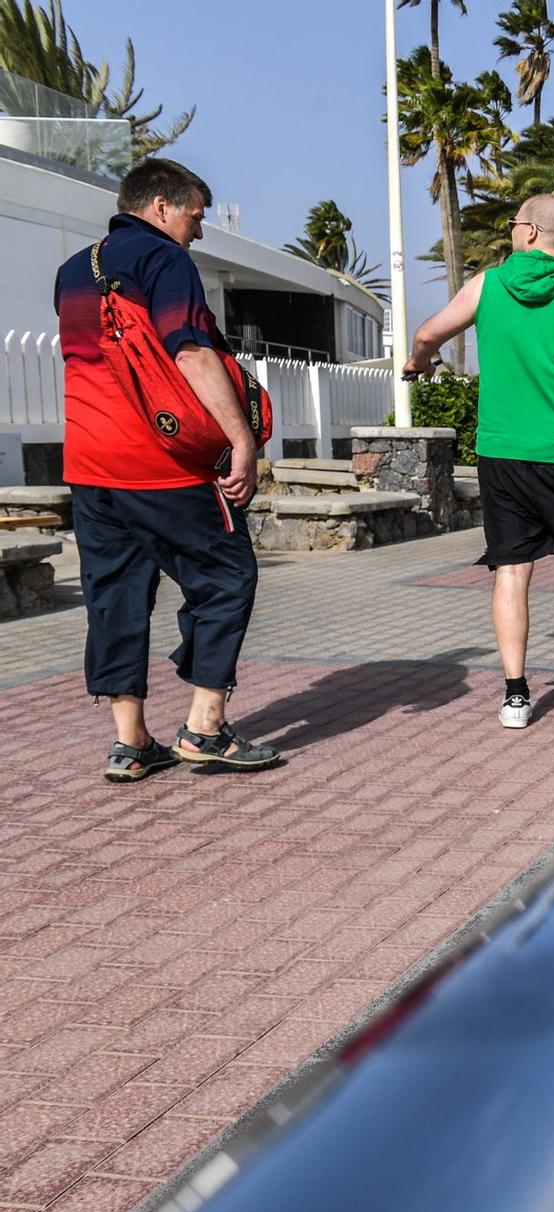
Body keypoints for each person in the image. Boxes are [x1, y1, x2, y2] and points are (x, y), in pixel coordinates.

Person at [56, 157, 279, 781]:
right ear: (160, 207)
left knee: (114, 595)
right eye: (195, 215)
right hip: (162, 463)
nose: (199, 231)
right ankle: (205, 728)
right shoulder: (166, 261)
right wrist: (242, 440)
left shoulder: (75, 270)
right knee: (227, 574)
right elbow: (188, 351)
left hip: (90, 465)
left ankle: (129, 745)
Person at [404, 193, 554, 730]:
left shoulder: (487, 285)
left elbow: (426, 334)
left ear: (533, 232)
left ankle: (516, 697)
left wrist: (419, 363)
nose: (512, 232)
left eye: (515, 224)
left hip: (502, 454)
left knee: (512, 569)